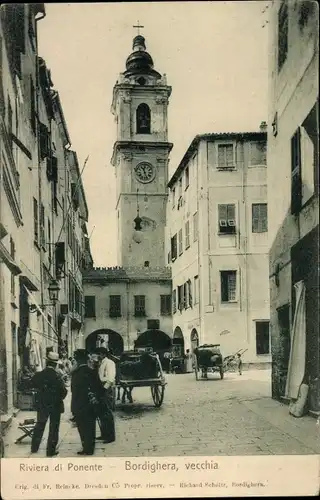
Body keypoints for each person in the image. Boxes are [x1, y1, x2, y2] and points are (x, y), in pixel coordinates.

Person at [30, 351, 67, 457]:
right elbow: (63, 391)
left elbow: (32, 384)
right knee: (54, 428)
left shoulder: (39, 374)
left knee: (40, 425)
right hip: (55, 405)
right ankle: (50, 451)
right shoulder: (57, 376)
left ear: (47, 362)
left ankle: (34, 448)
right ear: (56, 364)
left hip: (42, 404)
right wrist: (58, 398)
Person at [71, 349, 103, 455]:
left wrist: (73, 408)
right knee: (91, 426)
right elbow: (99, 388)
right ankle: (90, 448)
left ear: (78, 361)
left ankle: (86, 448)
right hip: (91, 404)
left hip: (80, 405)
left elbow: (74, 392)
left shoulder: (75, 374)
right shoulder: (92, 371)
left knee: (82, 428)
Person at [96, 347, 116, 444]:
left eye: (99, 354)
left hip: (106, 389)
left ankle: (110, 436)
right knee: (101, 412)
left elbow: (111, 378)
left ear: (103, 354)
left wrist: (104, 389)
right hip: (101, 388)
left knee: (107, 413)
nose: (98, 356)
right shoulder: (101, 363)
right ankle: (104, 434)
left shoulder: (110, 363)